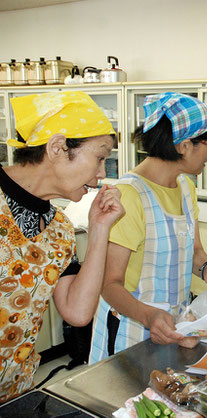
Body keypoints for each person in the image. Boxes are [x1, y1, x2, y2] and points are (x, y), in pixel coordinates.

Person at [0, 92, 124, 403]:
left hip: (15, 392)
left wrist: (99, 231)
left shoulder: (59, 228)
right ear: (58, 147)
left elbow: (78, 312)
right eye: (99, 157)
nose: (102, 174)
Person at [89, 93, 207, 363]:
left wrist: (206, 268)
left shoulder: (185, 187)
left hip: (171, 326)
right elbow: (109, 284)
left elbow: (194, 249)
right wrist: (148, 316)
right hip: (131, 330)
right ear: (185, 145)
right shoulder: (129, 196)